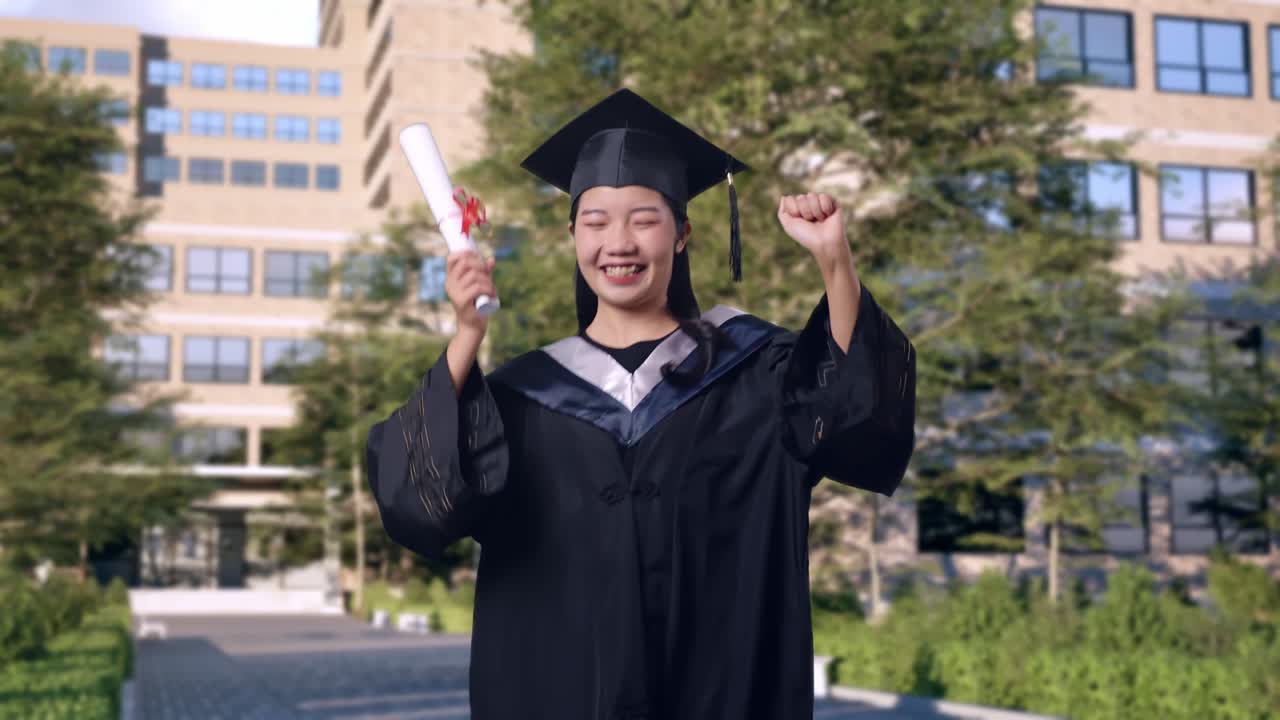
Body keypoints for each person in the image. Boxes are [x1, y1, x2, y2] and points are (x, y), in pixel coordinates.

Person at [366, 89, 916, 720]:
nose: (618, 243)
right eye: (596, 221)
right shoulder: (521, 395)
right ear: (573, 234)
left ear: (682, 233)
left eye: (644, 220)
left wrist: (834, 262)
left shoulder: (753, 370)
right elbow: (417, 505)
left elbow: (856, 424)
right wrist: (467, 335)